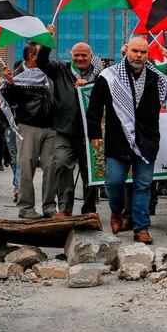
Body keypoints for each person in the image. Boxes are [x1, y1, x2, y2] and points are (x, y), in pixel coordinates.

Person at [86, 37, 167, 244]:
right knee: (114, 183)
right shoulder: (109, 76)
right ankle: (117, 212)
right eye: (135, 51)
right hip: (118, 140)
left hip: (147, 142)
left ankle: (141, 228)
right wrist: (94, 133)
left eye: (143, 52)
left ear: (148, 55)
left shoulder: (155, 77)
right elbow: (95, 107)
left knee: (143, 185)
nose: (139, 55)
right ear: (127, 52)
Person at [37, 25, 103, 216]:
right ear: (70, 55)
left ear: (91, 56)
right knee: (62, 165)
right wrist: (47, 39)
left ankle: (89, 210)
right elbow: (41, 61)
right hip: (64, 130)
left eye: (84, 55)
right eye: (77, 55)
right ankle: (65, 210)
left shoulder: (100, 75)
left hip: (90, 133)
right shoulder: (60, 69)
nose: (80, 58)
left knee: (90, 173)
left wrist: (89, 85)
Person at [0, 44, 57, 219]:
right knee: (26, 167)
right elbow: (9, 101)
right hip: (28, 126)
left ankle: (49, 207)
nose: (47, 56)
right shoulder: (16, 75)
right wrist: (10, 84)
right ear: (32, 56)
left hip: (50, 126)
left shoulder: (48, 72)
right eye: (42, 53)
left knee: (51, 167)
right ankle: (26, 208)